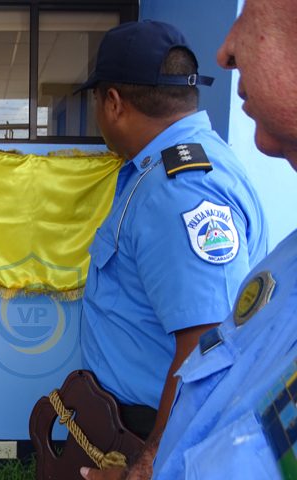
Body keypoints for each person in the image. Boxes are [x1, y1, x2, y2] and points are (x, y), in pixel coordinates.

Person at [75, 20, 269, 479]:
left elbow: (206, 343)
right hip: (133, 427)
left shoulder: (179, 189)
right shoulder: (179, 163)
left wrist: (149, 464)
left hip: (149, 438)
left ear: (113, 102)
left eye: (95, 101)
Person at [153, 1, 297, 478]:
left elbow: (198, 326)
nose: (225, 51)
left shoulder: (183, 184)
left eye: (252, 9)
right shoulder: (288, 261)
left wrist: (146, 458)